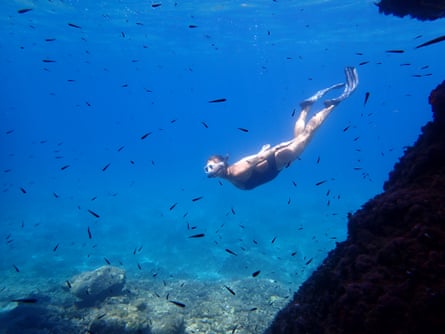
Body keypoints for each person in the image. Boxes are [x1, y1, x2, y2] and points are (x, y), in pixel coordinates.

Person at [204, 67, 359, 190]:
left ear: (222, 165)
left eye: (211, 166)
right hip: (274, 162)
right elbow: (255, 159)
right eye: (208, 167)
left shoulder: (236, 172)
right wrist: (263, 152)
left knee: (306, 136)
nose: (209, 170)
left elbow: (257, 159)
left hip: (277, 160)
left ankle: (332, 105)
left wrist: (276, 148)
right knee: (301, 136)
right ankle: (306, 107)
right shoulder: (233, 171)